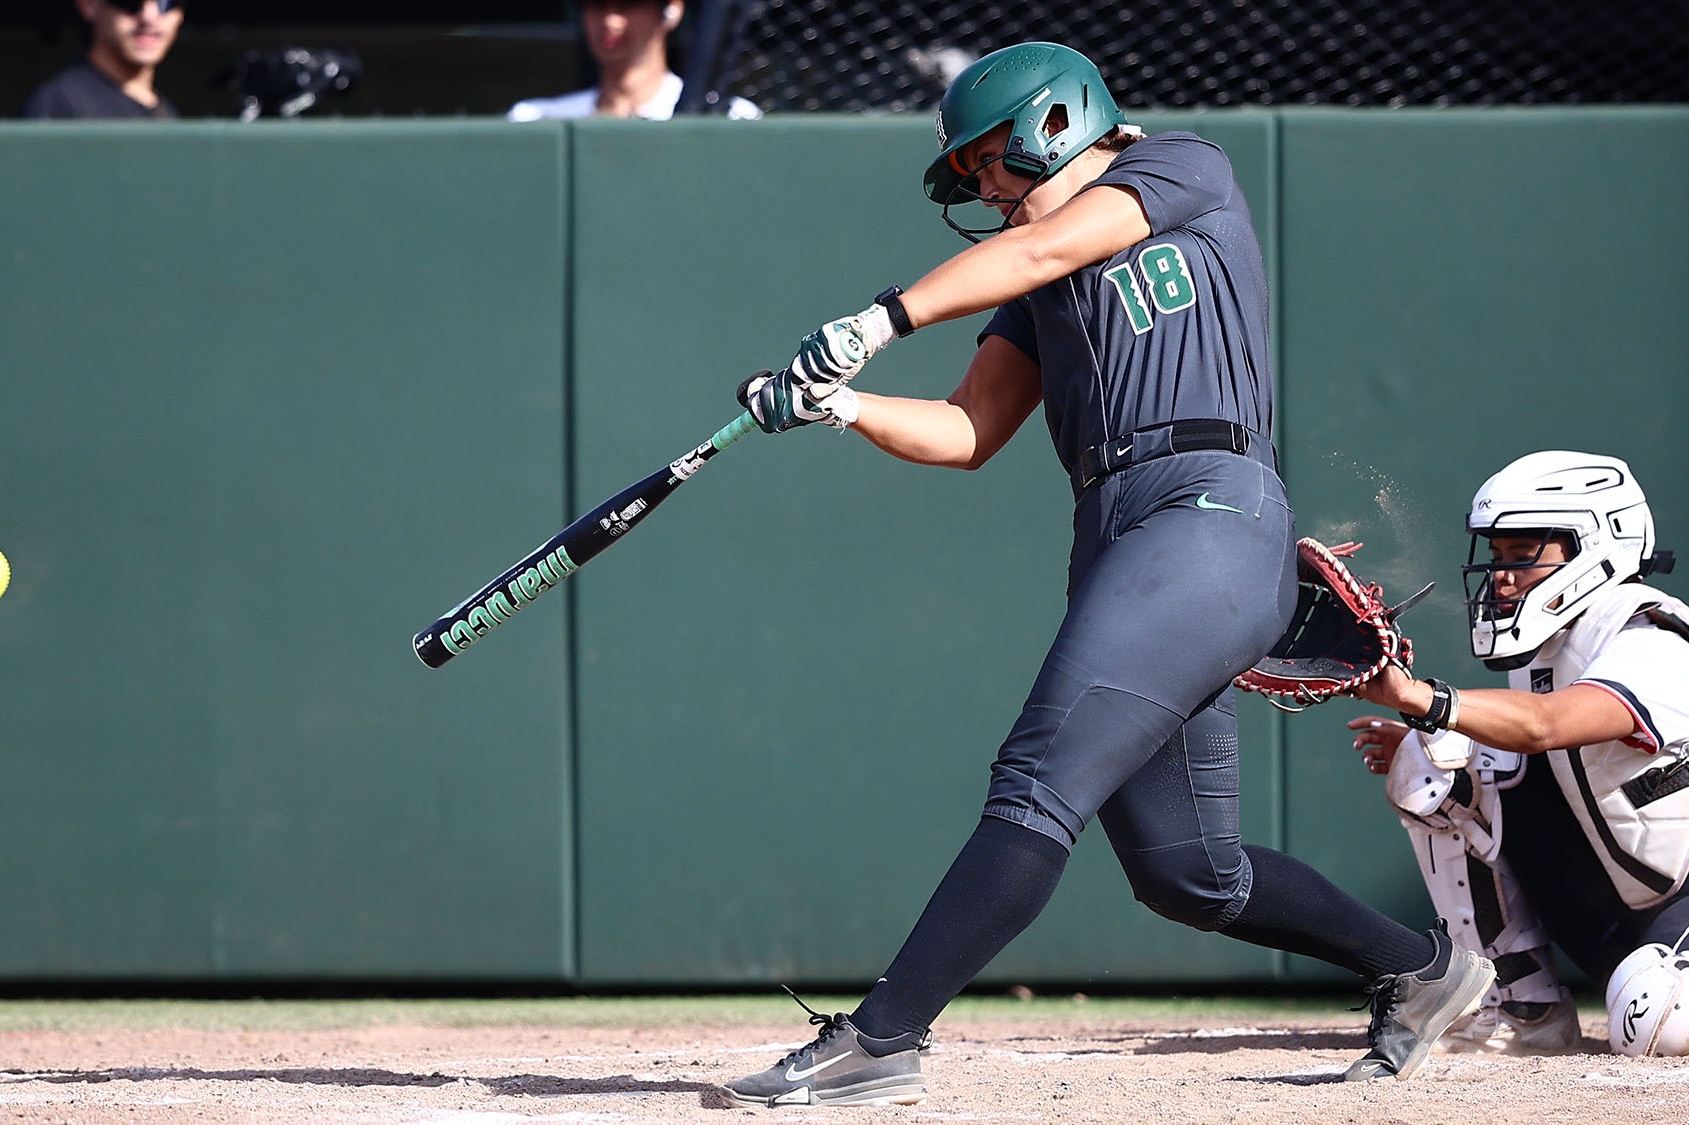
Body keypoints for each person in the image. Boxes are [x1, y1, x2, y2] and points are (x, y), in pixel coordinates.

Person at [717, 41, 1496, 1108]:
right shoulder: (1027, 273)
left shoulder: (1178, 168)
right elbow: (964, 429)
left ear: (1056, 124)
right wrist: (840, 407)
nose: (982, 190)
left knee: (1037, 778)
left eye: (991, 163)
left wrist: (874, 320)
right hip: (1120, 535)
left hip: (1206, 511)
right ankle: (1423, 970)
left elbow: (1049, 251)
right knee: (1186, 873)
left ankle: (884, 1037)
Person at [1349, 451, 1689, 1057]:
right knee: (1432, 763)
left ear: (1594, 546)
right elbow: (1523, 749)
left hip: (1677, 904)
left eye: (1523, 554)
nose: (1502, 576)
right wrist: (1425, 731)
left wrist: (1421, 698)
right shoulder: (1547, 651)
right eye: (1498, 556)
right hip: (1608, 908)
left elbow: (1546, 727)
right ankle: (1521, 1006)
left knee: (1667, 1026)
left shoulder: (1649, 638)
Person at [507, 0, 760, 122]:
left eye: (628, 4)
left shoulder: (732, 118)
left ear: (671, 10)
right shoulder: (533, 118)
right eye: (597, 5)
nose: (610, 21)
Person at [23, 0, 183, 120]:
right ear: (88, 4)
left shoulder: (167, 113)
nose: (149, 16)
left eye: (166, 2)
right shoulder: (59, 104)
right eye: (131, 1)